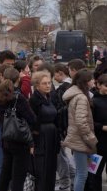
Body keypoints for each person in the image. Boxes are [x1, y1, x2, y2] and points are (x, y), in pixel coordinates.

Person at [0, 68, 37, 191]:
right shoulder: (19, 98)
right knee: (18, 177)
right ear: (18, 79)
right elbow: (32, 118)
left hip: (6, 138)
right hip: (20, 141)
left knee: (5, 174)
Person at [62, 69, 98, 191]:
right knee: (82, 174)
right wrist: (91, 139)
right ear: (85, 82)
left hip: (78, 139)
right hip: (81, 140)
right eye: (91, 79)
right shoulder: (81, 97)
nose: (94, 81)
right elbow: (81, 122)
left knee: (81, 173)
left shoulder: (77, 95)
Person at [29, 71, 59, 191]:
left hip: (52, 136)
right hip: (40, 137)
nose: (48, 85)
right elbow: (30, 122)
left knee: (51, 168)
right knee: (41, 169)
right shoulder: (34, 100)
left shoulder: (50, 97)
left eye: (49, 83)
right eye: (44, 83)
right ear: (37, 86)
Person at [52, 63, 75, 191]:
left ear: (60, 73)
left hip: (62, 128)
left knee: (61, 157)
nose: (54, 77)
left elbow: (61, 111)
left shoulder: (62, 89)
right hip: (66, 127)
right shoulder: (71, 86)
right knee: (64, 156)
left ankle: (66, 183)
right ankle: (71, 179)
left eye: (55, 74)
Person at [86, 74, 107, 190]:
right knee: (95, 173)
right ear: (98, 85)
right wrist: (102, 127)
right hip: (97, 144)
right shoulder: (93, 101)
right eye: (106, 86)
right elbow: (89, 122)